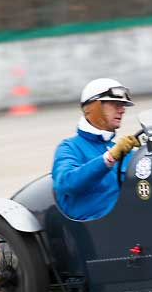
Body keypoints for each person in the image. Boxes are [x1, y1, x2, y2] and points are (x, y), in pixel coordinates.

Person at [52, 78, 140, 220]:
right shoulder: (69, 147)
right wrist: (109, 158)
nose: (122, 110)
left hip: (131, 220)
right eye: (116, 104)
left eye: (123, 105)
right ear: (95, 108)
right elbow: (67, 184)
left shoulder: (122, 150)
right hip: (98, 231)